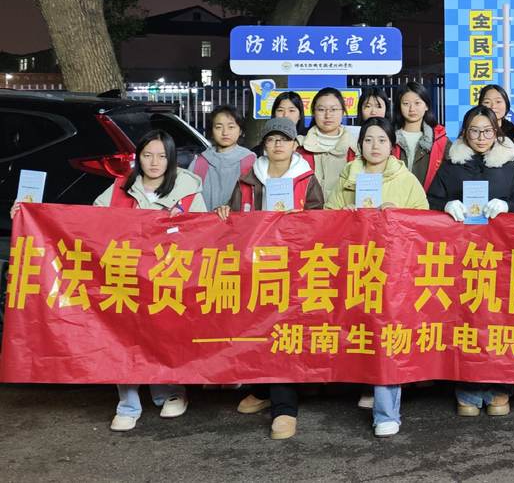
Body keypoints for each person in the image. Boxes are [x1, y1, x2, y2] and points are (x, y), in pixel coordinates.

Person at [217, 117, 324, 439]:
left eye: (284, 139)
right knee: (257, 329)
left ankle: (284, 408)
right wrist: (224, 212)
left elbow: (323, 223)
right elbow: (235, 222)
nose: (278, 145)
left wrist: (303, 219)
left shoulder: (307, 179)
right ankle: (264, 389)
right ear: (263, 145)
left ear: (295, 145)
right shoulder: (248, 179)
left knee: (283, 332)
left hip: (295, 269)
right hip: (255, 268)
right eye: (272, 139)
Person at [94, 130, 208, 432]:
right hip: (127, 275)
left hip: (167, 277)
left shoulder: (187, 190)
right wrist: (29, 210)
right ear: (138, 158)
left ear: (171, 159)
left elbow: (204, 234)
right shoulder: (119, 188)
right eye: (147, 155)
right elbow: (89, 222)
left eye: (161, 156)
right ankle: (128, 404)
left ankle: (170, 392)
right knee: (123, 335)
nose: (154, 162)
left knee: (163, 333)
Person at [426, 106, 514, 417]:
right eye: (474, 130)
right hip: (460, 258)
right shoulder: (450, 168)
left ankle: (500, 387)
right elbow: (429, 203)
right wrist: (446, 205)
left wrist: (507, 205)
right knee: (466, 321)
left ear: (497, 133)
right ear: (464, 133)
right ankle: (468, 388)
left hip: (502, 259)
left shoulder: (509, 168)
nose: (481, 137)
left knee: (500, 321)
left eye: (488, 130)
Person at [325, 117, 428, 437]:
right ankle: (369, 384)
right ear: (360, 146)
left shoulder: (406, 179)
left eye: (382, 140)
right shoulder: (348, 176)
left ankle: (386, 412)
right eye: (368, 140)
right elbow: (326, 219)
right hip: (355, 268)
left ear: (392, 146)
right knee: (361, 330)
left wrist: (399, 214)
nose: (375, 146)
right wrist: (342, 216)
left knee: (386, 332)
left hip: (394, 271)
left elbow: (425, 223)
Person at [191, 104, 256, 210]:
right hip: (205, 220)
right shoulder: (198, 164)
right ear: (211, 131)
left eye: (231, 127)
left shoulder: (251, 162)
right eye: (218, 127)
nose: (225, 132)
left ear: (240, 130)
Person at [297, 87, 358, 195]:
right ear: (313, 113)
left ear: (342, 112)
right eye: (321, 110)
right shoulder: (298, 146)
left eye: (334, 109)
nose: (328, 115)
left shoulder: (357, 148)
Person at [390, 81, 448, 192]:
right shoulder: (388, 137)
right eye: (406, 104)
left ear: (426, 106)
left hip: (428, 200)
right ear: (399, 107)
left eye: (417, 103)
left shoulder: (439, 139)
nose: (412, 109)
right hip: (393, 199)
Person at [479, 84, 514, 162]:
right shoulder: (473, 133)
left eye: (498, 102)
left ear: (506, 105)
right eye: (487, 102)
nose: (493, 106)